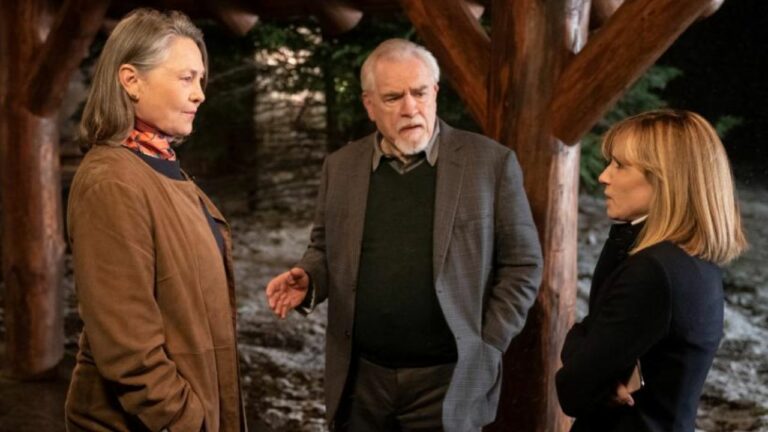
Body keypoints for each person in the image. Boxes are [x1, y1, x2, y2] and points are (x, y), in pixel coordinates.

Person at [265, 38, 543, 431]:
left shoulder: (490, 164)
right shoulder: (341, 167)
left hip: (449, 381)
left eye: (420, 92)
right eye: (393, 97)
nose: (410, 108)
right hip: (361, 381)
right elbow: (325, 247)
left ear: (436, 93)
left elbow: (523, 264)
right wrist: (310, 278)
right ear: (370, 105)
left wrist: (489, 341)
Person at [65, 9, 245, 432]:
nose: (200, 94)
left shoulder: (159, 165)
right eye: (186, 78)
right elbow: (128, 346)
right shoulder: (111, 182)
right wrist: (186, 419)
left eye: (201, 80)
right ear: (131, 80)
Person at [556, 109, 747, 431]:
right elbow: (591, 340)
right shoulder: (691, 261)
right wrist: (593, 362)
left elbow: (572, 389)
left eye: (620, 165)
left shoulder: (653, 272)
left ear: (665, 178)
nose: (603, 176)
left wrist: (588, 365)